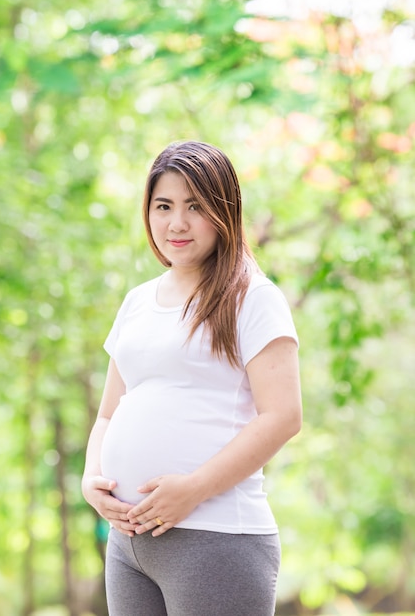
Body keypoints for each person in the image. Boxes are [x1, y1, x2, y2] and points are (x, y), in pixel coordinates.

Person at [82, 140, 302, 616]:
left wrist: (195, 488)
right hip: (129, 545)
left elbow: (283, 416)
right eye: (163, 206)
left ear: (224, 211)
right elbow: (108, 414)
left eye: (195, 206)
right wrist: (90, 478)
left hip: (216, 537)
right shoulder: (137, 302)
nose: (176, 223)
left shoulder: (253, 297)